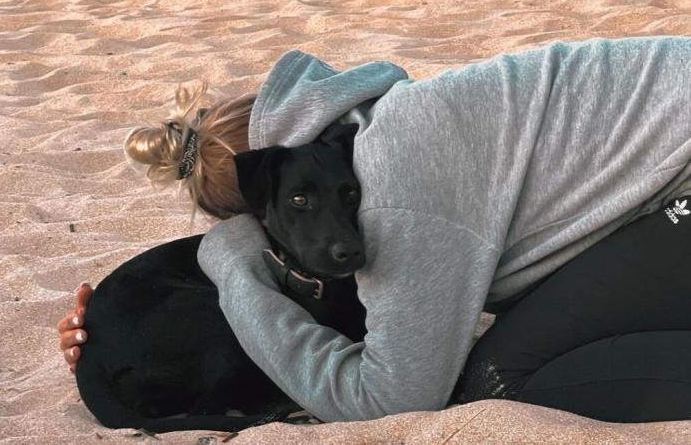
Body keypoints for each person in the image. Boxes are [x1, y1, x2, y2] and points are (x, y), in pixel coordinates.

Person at [58, 36, 691, 424]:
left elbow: (392, 400)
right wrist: (112, 326)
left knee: (497, 382)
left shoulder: (397, 189)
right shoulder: (376, 121)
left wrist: (231, 271)